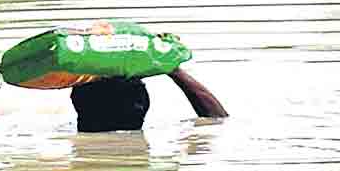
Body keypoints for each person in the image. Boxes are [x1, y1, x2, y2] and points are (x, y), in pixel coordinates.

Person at [70, 67, 228, 133]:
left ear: (74, 100)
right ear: (143, 104)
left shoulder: (57, 134)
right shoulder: (163, 131)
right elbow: (216, 119)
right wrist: (174, 71)